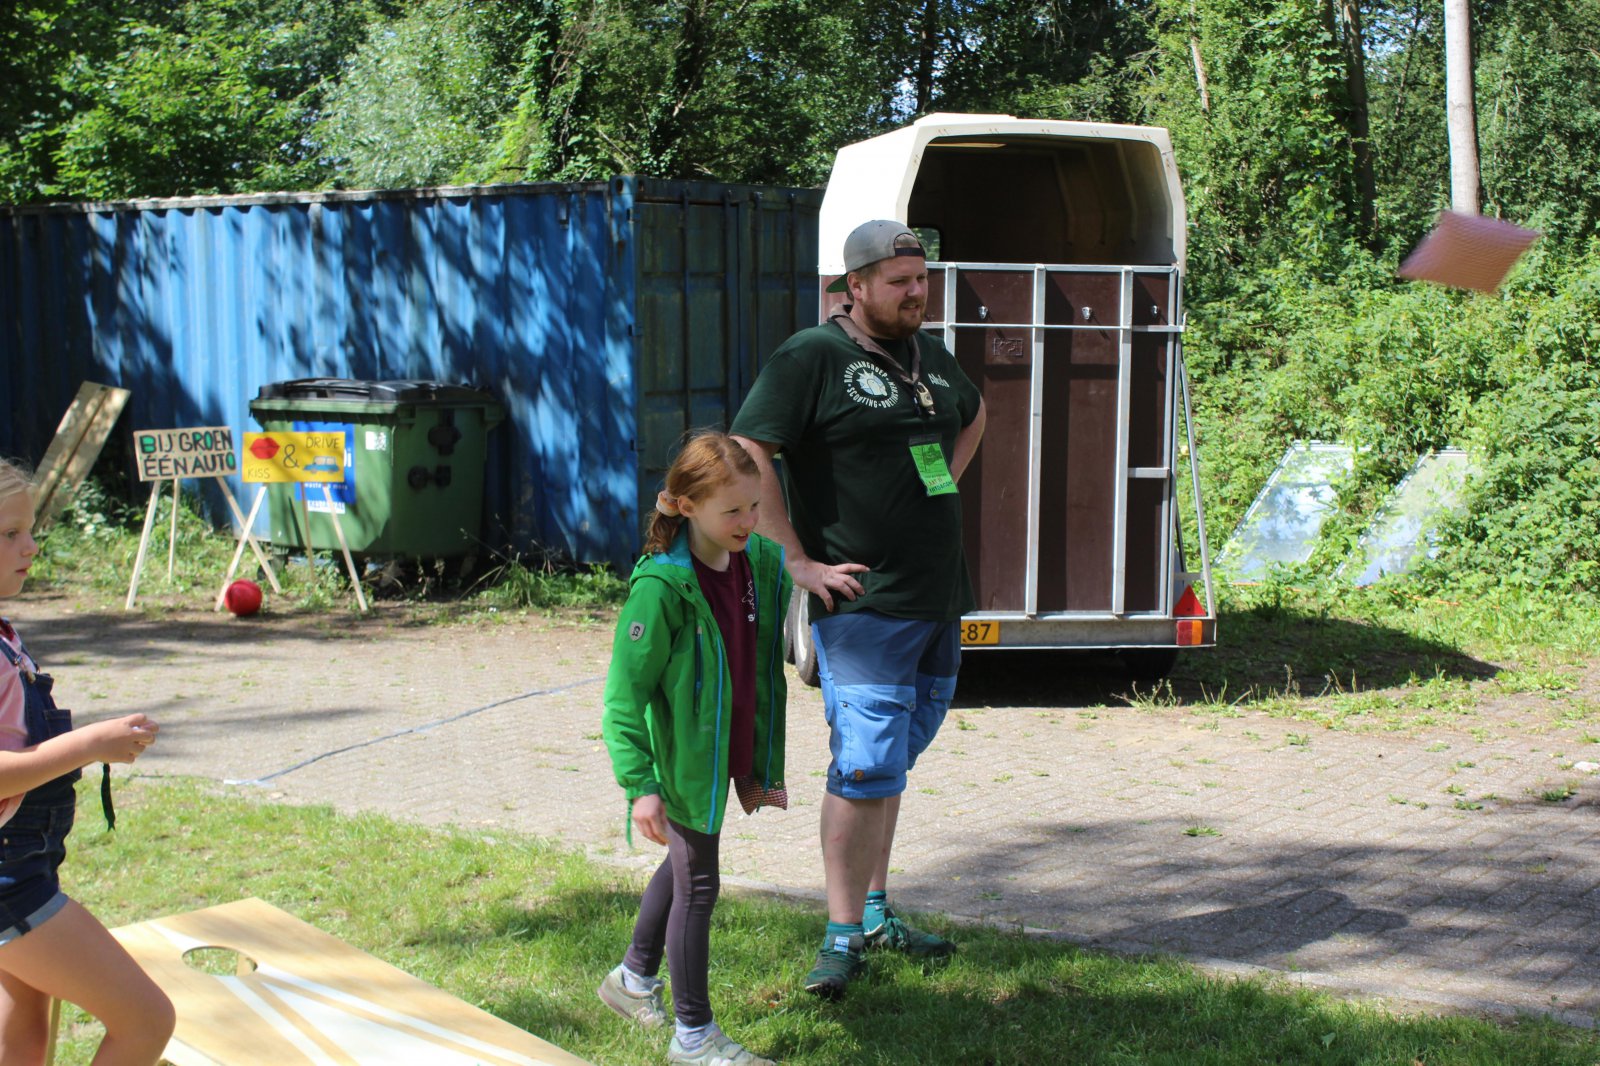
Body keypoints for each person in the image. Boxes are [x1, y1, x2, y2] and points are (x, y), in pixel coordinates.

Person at [730, 220, 986, 998]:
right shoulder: (814, 356)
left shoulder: (925, 354)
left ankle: (876, 912)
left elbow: (973, 414)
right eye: (901, 282)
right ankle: (841, 937)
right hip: (864, 603)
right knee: (866, 762)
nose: (917, 293)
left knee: (892, 762)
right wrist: (795, 560)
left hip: (938, 596)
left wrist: (933, 481)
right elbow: (748, 450)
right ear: (855, 288)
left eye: (923, 280)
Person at [598, 431, 792, 1066]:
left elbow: (782, 577)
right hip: (682, 765)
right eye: (731, 511)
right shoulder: (661, 590)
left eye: (754, 506)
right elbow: (622, 701)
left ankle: (631, 980)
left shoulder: (755, 561)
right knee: (698, 884)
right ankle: (693, 1036)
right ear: (685, 507)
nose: (747, 522)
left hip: (721, 755)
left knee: (683, 867)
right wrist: (640, 786)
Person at [0, 458, 175, 1065]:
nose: (31, 545)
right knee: (148, 1020)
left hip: (22, 866)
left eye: (29, 529)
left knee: (25, 1020)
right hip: (7, 881)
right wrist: (91, 744)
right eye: (10, 534)